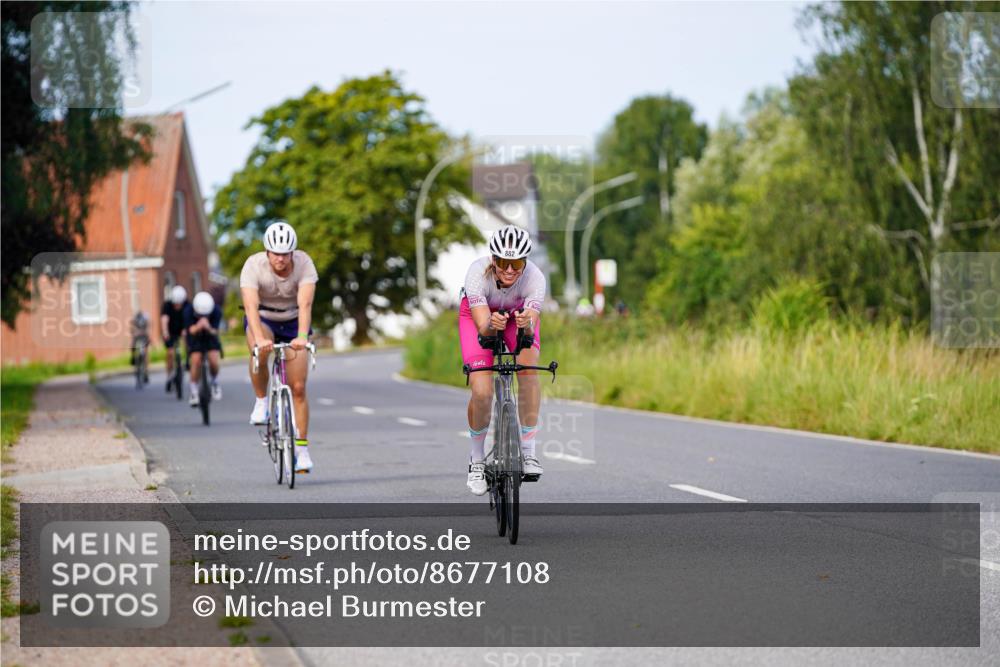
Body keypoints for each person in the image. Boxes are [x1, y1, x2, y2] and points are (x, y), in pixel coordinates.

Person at [459, 225, 545, 496]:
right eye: (504, 263)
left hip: (517, 315)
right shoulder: (476, 273)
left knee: (529, 372)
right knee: (482, 390)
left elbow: (529, 330)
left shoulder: (535, 278)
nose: (510, 270)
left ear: (525, 262)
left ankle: (529, 452)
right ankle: (476, 460)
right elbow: (483, 328)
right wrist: (490, 324)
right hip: (481, 317)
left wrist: (526, 325)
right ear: (494, 260)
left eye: (516, 263)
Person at [240, 221, 318, 473]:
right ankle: (262, 401)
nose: (281, 259)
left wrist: (303, 336)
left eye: (285, 254)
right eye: (276, 253)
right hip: (263, 318)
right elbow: (250, 306)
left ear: (293, 253)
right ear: (267, 252)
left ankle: (302, 450)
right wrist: (260, 340)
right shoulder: (253, 266)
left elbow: (305, 305)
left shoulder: (305, 264)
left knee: (298, 387)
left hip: (294, 320)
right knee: (259, 349)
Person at [185, 291, 223, 406]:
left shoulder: (216, 310)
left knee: (213, 360)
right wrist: (198, 326)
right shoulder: (188, 310)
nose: (203, 317)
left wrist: (208, 327)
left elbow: (216, 331)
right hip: (195, 336)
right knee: (195, 360)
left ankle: (215, 382)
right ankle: (194, 390)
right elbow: (190, 330)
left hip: (210, 335)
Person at [161, 285, 189, 392]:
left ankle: (187, 360)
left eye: (179, 304)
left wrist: (186, 329)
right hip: (171, 331)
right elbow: (164, 320)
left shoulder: (187, 305)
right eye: (175, 304)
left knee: (187, 341)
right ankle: (169, 375)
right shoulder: (167, 305)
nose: (177, 306)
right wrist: (165, 332)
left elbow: (189, 318)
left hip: (183, 329)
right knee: (170, 352)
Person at [129, 311, 150, 383]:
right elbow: (132, 330)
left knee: (146, 353)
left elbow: (148, 330)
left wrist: (147, 335)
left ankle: (146, 372)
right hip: (137, 337)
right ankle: (133, 358)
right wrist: (134, 333)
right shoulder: (135, 321)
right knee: (132, 345)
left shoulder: (146, 321)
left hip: (144, 337)